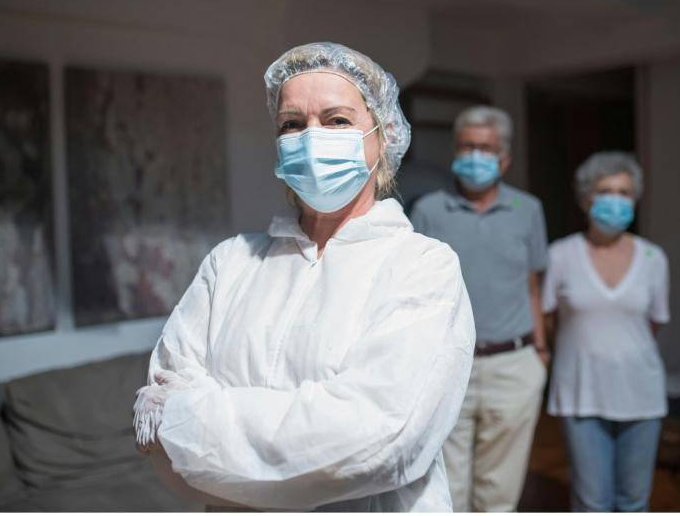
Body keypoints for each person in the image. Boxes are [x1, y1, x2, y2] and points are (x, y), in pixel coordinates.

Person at [131, 42, 476, 512]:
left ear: (383, 136)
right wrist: (303, 436)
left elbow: (379, 441)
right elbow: (160, 423)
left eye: (337, 120)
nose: (311, 138)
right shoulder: (230, 263)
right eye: (292, 124)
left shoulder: (422, 267)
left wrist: (197, 421)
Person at [409, 105, 549, 512]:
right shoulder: (428, 210)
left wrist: (540, 351)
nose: (475, 156)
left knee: (500, 490)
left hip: (514, 364)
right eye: (467, 146)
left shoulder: (528, 210)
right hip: (449, 364)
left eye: (485, 148)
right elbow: (414, 291)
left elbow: (532, 285)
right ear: (455, 152)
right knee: (446, 486)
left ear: (504, 158)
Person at [541, 151, 670, 512]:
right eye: (605, 191)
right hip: (581, 392)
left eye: (624, 192)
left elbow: (653, 324)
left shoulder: (654, 259)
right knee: (591, 501)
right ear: (586, 199)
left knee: (634, 500)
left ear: (635, 199)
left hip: (641, 395)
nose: (615, 200)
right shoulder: (560, 255)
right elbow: (549, 318)